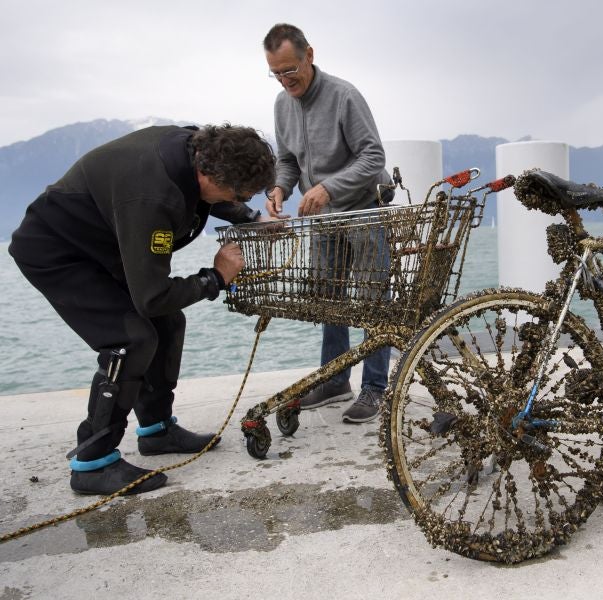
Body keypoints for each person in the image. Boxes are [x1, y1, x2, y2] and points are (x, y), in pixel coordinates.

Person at [8, 123, 276, 495]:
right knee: (131, 338)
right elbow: (150, 296)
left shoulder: (197, 146)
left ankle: (157, 430)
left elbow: (213, 193)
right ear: (208, 172)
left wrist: (252, 218)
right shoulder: (153, 197)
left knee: (167, 323)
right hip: (58, 252)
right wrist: (216, 277)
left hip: (106, 243)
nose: (234, 199)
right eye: (234, 194)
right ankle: (92, 462)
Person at [262, 23, 393, 424]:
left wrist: (328, 188)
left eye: (290, 70)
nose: (286, 81)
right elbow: (287, 160)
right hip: (321, 217)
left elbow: (374, 157)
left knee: (373, 301)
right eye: (276, 73)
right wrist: (280, 189)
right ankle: (335, 380)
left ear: (309, 56)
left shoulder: (345, 96)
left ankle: (375, 389)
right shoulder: (282, 105)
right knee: (327, 298)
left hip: (363, 208)